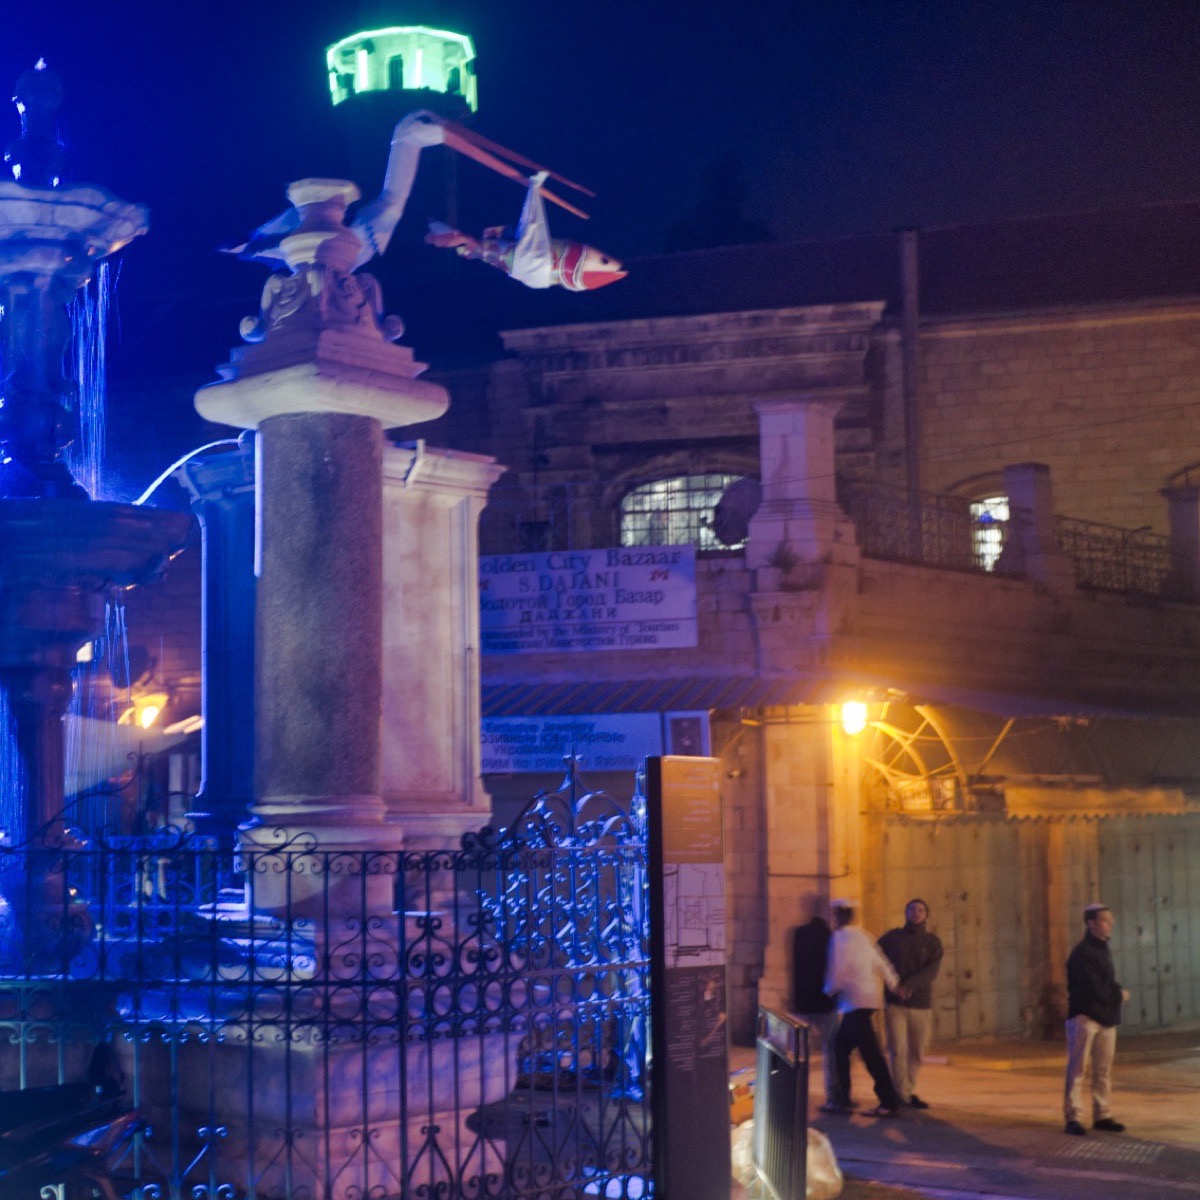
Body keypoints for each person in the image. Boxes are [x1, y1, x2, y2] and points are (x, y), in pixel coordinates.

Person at [823, 899, 903, 1117]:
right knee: (840, 1047)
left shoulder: (839, 938)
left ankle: (888, 1102)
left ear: (839, 916)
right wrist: (894, 984)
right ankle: (842, 1099)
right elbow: (881, 962)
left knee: (871, 1054)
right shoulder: (864, 936)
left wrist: (828, 990)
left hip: (854, 1002)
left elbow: (838, 969)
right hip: (868, 1000)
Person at [1063, 902, 1130, 1136]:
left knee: (1103, 1070)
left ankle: (1102, 1115)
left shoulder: (1102, 948)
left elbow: (1107, 982)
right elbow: (1093, 987)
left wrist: (1115, 993)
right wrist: (1119, 995)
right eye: (1105, 921)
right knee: (1077, 1070)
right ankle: (1072, 1117)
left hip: (1105, 1018)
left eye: (1111, 921)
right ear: (1091, 924)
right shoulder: (1082, 953)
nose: (1110, 924)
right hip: (1085, 1017)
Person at [879, 898, 944, 1109]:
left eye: (920, 910)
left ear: (926, 915)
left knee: (916, 1051)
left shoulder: (932, 942)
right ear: (906, 912)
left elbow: (931, 971)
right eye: (912, 909)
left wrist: (907, 986)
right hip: (895, 1004)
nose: (916, 912)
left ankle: (905, 1091)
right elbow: (878, 960)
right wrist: (894, 986)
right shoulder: (891, 938)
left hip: (920, 1005)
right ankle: (901, 1094)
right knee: (897, 1049)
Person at [791, 894, 839, 1108]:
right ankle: (833, 1095)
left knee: (800, 1053)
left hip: (803, 1000)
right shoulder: (832, 936)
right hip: (826, 1001)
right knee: (832, 1050)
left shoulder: (799, 933)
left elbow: (795, 968)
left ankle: (795, 1094)